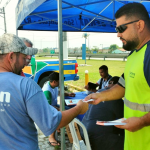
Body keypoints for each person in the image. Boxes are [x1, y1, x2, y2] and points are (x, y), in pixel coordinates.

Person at [0, 33, 88, 150]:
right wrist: (79, 108)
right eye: (23, 57)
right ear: (11, 57)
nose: (25, 62)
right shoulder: (25, 85)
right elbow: (51, 123)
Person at [85, 3, 150, 150]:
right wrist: (101, 96)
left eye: (121, 29)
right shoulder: (134, 55)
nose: (118, 34)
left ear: (139, 25)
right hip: (132, 142)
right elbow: (122, 86)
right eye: (117, 29)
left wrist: (141, 122)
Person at [81, 77, 124, 150]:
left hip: (83, 134)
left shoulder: (99, 92)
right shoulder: (115, 98)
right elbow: (123, 120)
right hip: (97, 138)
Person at [42, 72, 76, 146]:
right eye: (59, 82)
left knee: (68, 109)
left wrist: (67, 94)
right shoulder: (47, 91)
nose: (60, 84)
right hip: (47, 109)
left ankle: (59, 127)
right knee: (60, 113)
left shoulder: (53, 85)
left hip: (53, 105)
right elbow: (47, 107)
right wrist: (58, 109)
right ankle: (51, 137)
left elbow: (58, 92)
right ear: (54, 81)